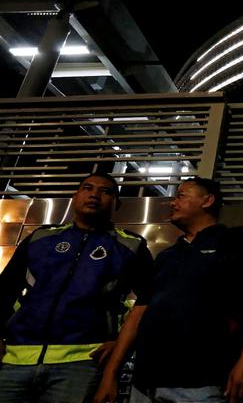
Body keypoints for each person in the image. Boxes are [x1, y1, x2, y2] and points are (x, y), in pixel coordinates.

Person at [94, 177, 243, 403]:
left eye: (181, 196)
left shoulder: (235, 239)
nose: (172, 203)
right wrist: (111, 374)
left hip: (200, 384)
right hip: (144, 384)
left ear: (207, 201)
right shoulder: (166, 256)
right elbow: (139, 313)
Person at [0, 172, 153, 402]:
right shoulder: (40, 238)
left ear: (116, 204)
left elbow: (149, 302)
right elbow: (4, 289)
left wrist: (119, 346)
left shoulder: (130, 246)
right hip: (14, 358)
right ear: (75, 196)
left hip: (81, 363)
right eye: (87, 188)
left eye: (105, 191)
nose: (94, 195)